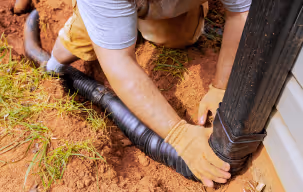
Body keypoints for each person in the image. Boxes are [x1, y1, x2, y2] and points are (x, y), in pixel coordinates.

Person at [28, 0, 250, 187]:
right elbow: (118, 62)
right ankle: (52, 66)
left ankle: (127, 26)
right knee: (78, 42)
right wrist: (180, 137)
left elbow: (242, 13)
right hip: (106, 6)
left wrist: (221, 86)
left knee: (180, 36)